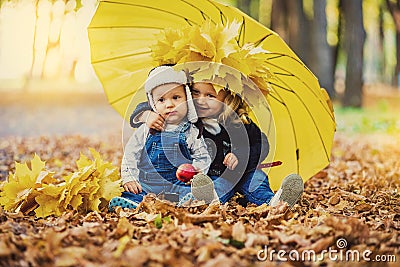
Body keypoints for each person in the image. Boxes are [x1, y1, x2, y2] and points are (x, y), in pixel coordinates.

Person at [131, 81, 304, 208]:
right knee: (215, 188)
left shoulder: (237, 122)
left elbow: (261, 145)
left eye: (210, 96)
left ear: (226, 97)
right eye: (195, 93)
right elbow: (160, 98)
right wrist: (146, 114)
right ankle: (204, 200)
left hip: (245, 172)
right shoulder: (186, 121)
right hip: (216, 177)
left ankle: (277, 202)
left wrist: (240, 156)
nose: (201, 100)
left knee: (257, 182)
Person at [109, 66, 213, 210]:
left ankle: (181, 201)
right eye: (161, 100)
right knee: (134, 192)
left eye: (176, 97)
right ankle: (135, 203)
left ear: (187, 98)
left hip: (178, 184)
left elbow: (202, 156)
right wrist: (130, 177)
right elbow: (130, 153)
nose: (169, 104)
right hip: (148, 183)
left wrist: (197, 171)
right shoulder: (146, 129)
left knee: (190, 193)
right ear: (153, 104)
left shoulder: (191, 131)